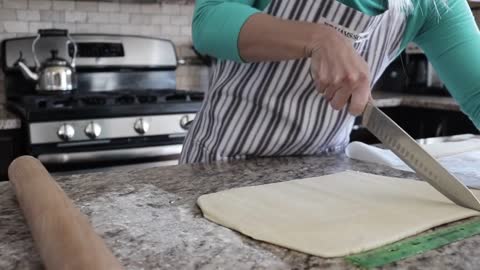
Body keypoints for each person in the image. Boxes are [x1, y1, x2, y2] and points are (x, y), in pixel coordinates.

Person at [180, 0, 480, 164]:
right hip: (218, 165)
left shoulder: (436, 5)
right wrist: (318, 38)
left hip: (323, 176)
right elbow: (208, 21)